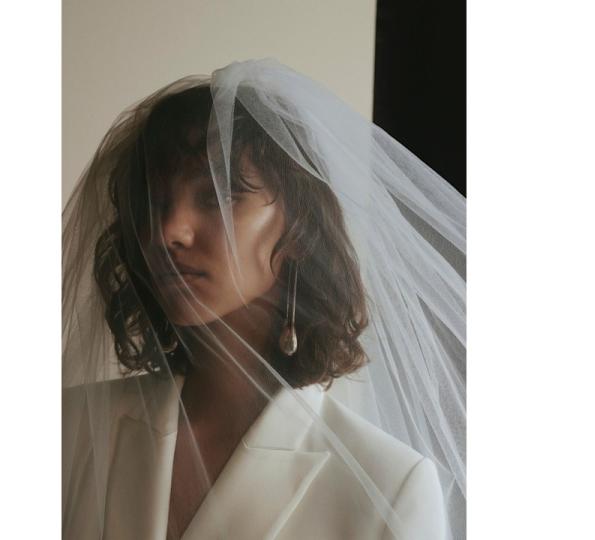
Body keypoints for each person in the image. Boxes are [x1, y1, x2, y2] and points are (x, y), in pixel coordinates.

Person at [63, 59, 465, 540]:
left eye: (216, 194)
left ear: (297, 228)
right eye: (156, 200)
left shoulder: (389, 487)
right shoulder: (70, 429)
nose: (169, 230)